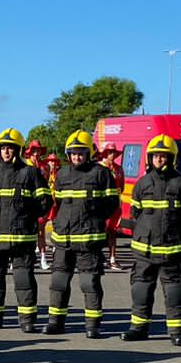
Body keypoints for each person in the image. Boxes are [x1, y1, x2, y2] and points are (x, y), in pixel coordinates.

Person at [123, 134, 181, 345]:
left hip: (172, 249)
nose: (159, 160)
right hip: (144, 250)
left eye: (164, 156)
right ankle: (138, 328)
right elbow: (135, 213)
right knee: (141, 290)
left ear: (172, 158)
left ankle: (176, 332)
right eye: (156, 156)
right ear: (149, 158)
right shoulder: (142, 183)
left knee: (174, 291)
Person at [45, 131, 119, 338]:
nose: (77, 157)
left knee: (89, 283)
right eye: (73, 153)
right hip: (64, 239)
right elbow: (59, 202)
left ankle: (92, 325)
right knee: (58, 282)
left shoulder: (101, 173)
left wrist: (93, 219)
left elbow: (112, 203)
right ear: (68, 155)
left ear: (89, 153)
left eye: (81, 153)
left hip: (89, 240)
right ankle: (56, 322)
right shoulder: (62, 174)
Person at [0, 128, 51, 331]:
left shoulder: (31, 173)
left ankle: (27, 320)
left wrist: (25, 217)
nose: (6, 152)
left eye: (10, 148)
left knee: (23, 278)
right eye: (3, 148)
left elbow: (45, 202)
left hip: (21, 237)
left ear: (18, 150)